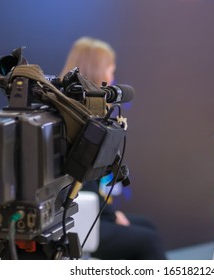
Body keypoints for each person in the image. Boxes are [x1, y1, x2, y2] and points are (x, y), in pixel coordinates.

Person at [60, 36, 167, 259]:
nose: (113, 76)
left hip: (90, 210)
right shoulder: (82, 122)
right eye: (110, 69)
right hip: (75, 218)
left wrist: (111, 213)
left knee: (148, 228)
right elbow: (82, 184)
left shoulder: (77, 114)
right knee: (148, 241)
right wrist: (111, 215)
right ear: (98, 72)